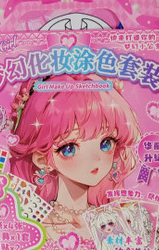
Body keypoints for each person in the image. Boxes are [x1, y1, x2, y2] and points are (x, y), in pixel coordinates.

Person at [8, 73, 140, 241]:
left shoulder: (115, 220)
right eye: (69, 148)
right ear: (42, 159)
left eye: (106, 143)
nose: (95, 159)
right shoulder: (37, 224)